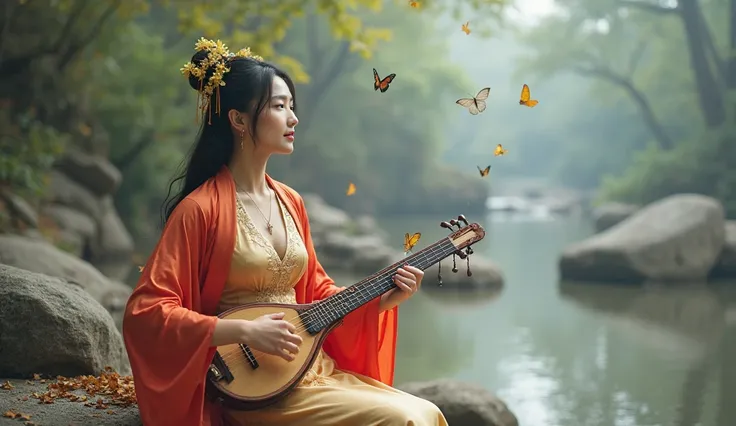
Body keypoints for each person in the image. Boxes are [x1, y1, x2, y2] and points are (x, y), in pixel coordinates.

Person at [122, 38, 449, 426]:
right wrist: (244, 330)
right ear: (239, 120)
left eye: (292, 107)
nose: (293, 119)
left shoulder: (291, 201)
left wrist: (382, 299)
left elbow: (316, 293)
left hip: (309, 370)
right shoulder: (201, 210)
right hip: (252, 389)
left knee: (428, 411)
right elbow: (147, 312)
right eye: (280, 107)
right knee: (402, 420)